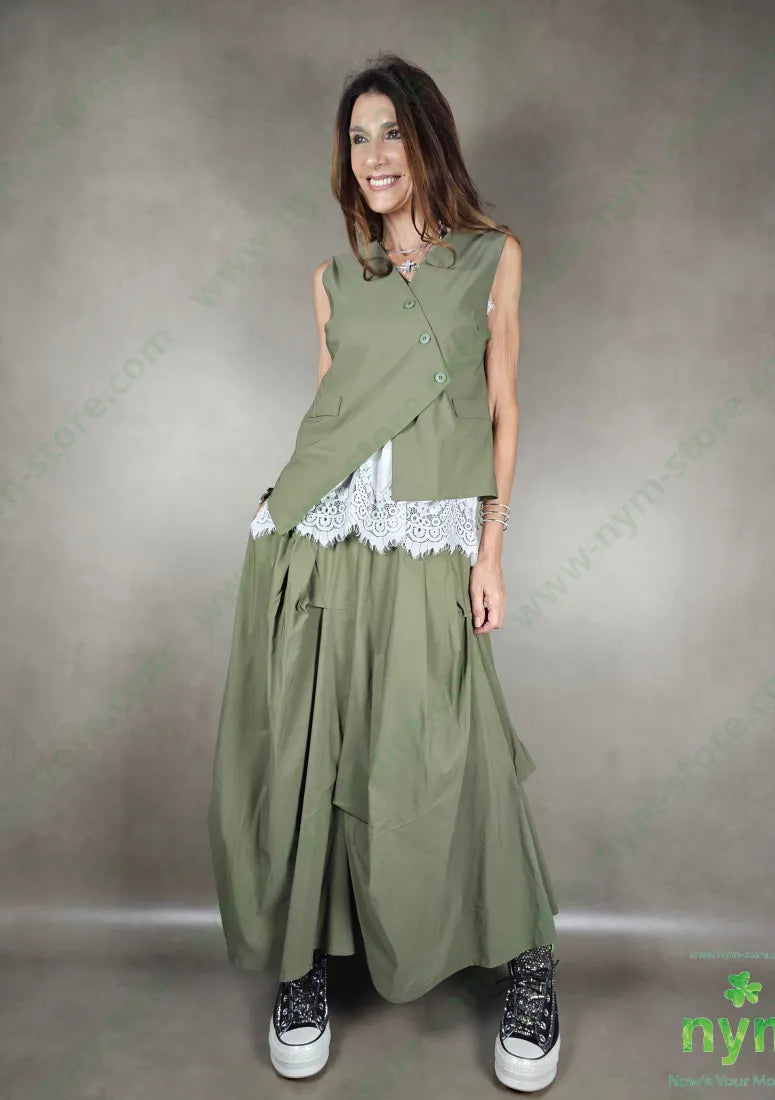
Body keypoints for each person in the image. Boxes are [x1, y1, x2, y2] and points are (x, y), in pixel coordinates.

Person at [207, 52, 562, 1093]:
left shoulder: (491, 258)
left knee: (451, 748)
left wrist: (491, 549)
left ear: (428, 140)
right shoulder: (331, 280)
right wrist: (276, 515)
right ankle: (303, 964)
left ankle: (528, 961)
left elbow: (503, 408)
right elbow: (332, 416)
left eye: (391, 133)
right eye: (357, 138)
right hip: (319, 539)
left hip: (429, 541)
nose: (373, 156)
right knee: (314, 748)